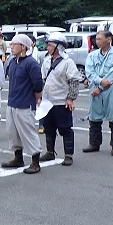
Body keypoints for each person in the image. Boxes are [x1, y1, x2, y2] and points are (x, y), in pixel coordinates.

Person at [1, 34, 44, 174]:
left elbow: (38, 84)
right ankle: (18, 158)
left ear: (23, 47)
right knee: (12, 133)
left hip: (25, 104)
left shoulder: (31, 63)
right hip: (12, 102)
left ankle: (35, 162)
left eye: (14, 44)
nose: (11, 46)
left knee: (28, 133)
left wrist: (38, 98)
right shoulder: (13, 62)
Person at [39, 32, 82, 166]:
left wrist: (70, 98)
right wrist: (40, 97)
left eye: (50, 45)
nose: (47, 48)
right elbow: (42, 80)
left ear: (58, 46)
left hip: (61, 101)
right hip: (48, 101)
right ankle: (50, 152)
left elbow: (74, 81)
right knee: (48, 127)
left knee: (65, 128)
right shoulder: (46, 61)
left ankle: (68, 155)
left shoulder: (67, 62)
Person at [83, 29, 113, 155]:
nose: (97, 41)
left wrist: (101, 87)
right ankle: (94, 143)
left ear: (109, 39)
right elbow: (89, 71)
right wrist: (99, 82)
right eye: (96, 39)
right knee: (94, 116)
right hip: (95, 87)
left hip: (111, 88)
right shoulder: (92, 55)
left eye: (99, 39)